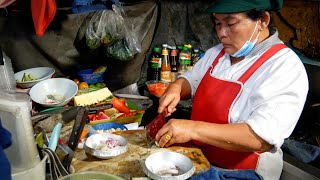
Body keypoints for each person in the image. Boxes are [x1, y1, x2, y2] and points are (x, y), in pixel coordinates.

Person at [155, 0, 309, 179]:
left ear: (262, 20)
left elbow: (260, 138)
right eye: (218, 23)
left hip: (244, 172)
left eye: (231, 23)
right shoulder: (218, 53)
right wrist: (176, 87)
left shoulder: (283, 66)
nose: (221, 33)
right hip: (199, 159)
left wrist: (192, 129)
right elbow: (192, 79)